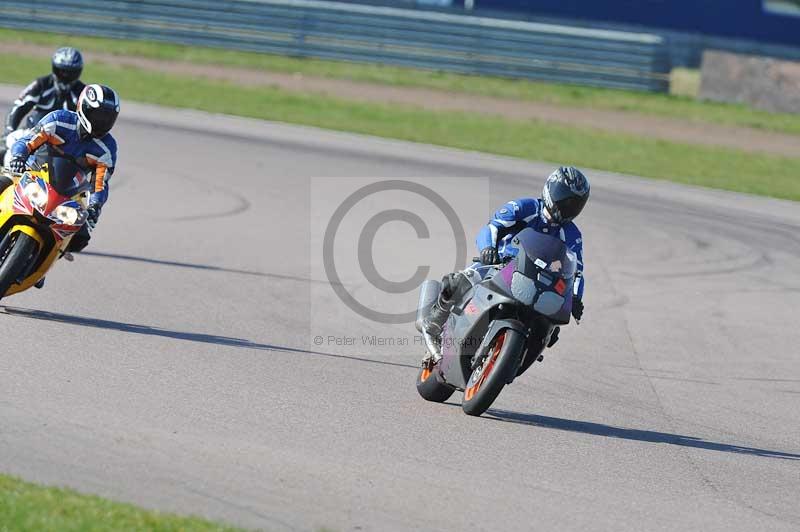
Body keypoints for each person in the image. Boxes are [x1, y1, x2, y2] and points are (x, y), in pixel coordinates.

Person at [422, 166, 590, 353]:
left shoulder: (572, 234)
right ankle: (436, 319)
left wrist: (575, 298)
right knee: (459, 281)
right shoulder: (526, 207)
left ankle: (519, 355)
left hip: (539, 281)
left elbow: (577, 271)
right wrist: (488, 249)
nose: (568, 207)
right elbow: (492, 227)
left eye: (574, 204)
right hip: (500, 264)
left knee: (550, 328)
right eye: (564, 199)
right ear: (551, 190)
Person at [7, 84, 119, 265]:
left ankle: (43, 261)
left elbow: (100, 183)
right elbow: (27, 141)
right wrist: (19, 157)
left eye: (108, 117)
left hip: (68, 194)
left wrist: (95, 205)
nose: (102, 122)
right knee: (3, 181)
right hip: (32, 172)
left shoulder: (107, 147)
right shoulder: (58, 120)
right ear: (84, 107)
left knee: (81, 237)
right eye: (99, 115)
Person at [0, 47, 85, 161]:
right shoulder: (41, 84)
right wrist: (9, 130)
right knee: (7, 146)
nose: (65, 76)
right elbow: (19, 107)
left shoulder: (83, 93)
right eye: (62, 71)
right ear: (54, 68)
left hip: (64, 144)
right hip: (32, 134)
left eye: (71, 73)